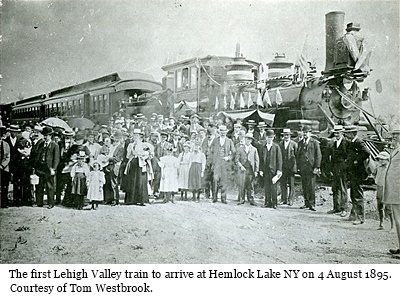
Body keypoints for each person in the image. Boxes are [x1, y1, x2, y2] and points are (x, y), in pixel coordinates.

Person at [345, 125, 370, 224]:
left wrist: (356, 161)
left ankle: (360, 218)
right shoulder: (352, 142)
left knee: (358, 195)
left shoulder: (359, 142)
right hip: (353, 172)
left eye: (347, 133)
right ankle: (354, 214)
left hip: (358, 173)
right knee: (353, 194)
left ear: (352, 133)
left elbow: (366, 152)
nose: (346, 135)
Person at [383, 126, 400, 255]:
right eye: (393, 134)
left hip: (398, 191)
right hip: (395, 191)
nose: (394, 137)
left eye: (397, 134)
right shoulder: (397, 149)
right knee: (398, 220)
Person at [296, 125, 321, 211]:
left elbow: (318, 155)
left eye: (307, 132)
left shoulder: (314, 142)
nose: (305, 134)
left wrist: (317, 167)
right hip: (303, 168)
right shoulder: (300, 143)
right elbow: (298, 155)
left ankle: (312, 203)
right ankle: (306, 203)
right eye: (304, 132)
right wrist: (298, 166)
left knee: (311, 186)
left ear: (310, 133)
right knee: (305, 186)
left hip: (311, 167)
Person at [122, 129, 149, 206]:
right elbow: (127, 156)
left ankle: (141, 200)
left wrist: (142, 156)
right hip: (133, 163)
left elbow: (147, 154)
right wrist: (132, 152)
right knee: (132, 180)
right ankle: (131, 200)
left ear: (140, 136)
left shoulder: (143, 145)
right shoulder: (131, 145)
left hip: (140, 163)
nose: (135, 137)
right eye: (134, 135)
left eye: (137, 135)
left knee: (140, 181)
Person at [208, 125, 236, 204]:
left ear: (226, 132)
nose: (223, 133)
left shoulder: (229, 141)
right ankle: (214, 197)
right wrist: (212, 162)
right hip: (216, 163)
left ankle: (223, 198)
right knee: (215, 180)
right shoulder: (215, 140)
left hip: (225, 164)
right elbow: (211, 152)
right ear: (219, 132)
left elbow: (234, 152)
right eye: (221, 132)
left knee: (224, 181)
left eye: (224, 132)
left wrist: (228, 157)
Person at [327, 125, 349, 217]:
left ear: (342, 133)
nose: (336, 134)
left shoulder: (346, 143)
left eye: (338, 133)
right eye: (335, 133)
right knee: (335, 188)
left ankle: (344, 209)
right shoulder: (335, 143)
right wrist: (331, 168)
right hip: (335, 168)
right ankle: (337, 208)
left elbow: (349, 156)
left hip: (343, 169)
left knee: (343, 189)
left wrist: (346, 167)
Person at [35, 127, 60, 209]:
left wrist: (54, 168)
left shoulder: (54, 145)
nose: (45, 137)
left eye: (47, 135)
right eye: (44, 135)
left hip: (49, 168)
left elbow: (56, 159)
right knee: (40, 185)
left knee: (50, 186)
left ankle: (51, 203)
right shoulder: (41, 144)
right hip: (41, 167)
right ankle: (39, 202)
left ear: (50, 136)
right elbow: (38, 155)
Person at [259, 129, 282, 209]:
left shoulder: (276, 147)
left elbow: (279, 160)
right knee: (267, 187)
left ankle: (274, 203)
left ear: (273, 138)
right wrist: (261, 170)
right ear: (266, 137)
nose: (269, 139)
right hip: (266, 170)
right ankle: (267, 202)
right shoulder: (263, 147)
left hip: (273, 170)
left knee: (274, 187)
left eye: (271, 137)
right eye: (268, 137)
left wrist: (279, 171)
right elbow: (261, 160)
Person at [235, 133, 259, 206]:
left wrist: (256, 170)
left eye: (250, 139)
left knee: (251, 185)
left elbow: (256, 160)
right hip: (242, 169)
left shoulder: (254, 149)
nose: (248, 140)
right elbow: (236, 160)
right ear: (244, 139)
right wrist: (241, 166)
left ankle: (251, 199)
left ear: (251, 141)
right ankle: (242, 199)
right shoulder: (240, 149)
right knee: (242, 184)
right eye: (247, 138)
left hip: (250, 169)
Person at [373, 151, 393, 230]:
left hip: (388, 187)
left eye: (382, 159)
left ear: (387, 160)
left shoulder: (390, 167)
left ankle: (393, 226)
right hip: (379, 187)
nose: (380, 161)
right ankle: (381, 223)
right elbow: (374, 174)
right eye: (379, 159)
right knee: (380, 205)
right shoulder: (378, 167)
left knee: (389, 206)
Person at [279, 128, 298, 206]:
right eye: (284, 135)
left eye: (287, 135)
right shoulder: (280, 144)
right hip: (283, 167)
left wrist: (296, 166)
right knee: (283, 183)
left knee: (291, 184)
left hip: (291, 167)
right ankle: (284, 199)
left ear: (290, 135)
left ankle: (291, 200)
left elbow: (297, 156)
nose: (286, 136)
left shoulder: (294, 144)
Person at [0, 126, 11, 208]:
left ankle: (4, 202)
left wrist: (2, 165)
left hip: (4, 168)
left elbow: (8, 157)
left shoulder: (6, 145)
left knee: (4, 185)